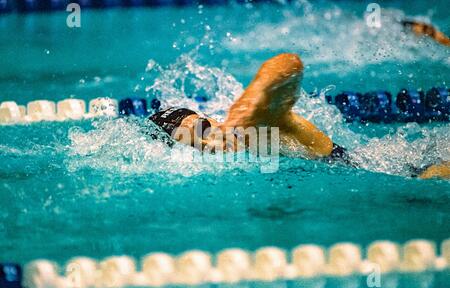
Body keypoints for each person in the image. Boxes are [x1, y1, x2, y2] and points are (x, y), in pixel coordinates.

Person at [148, 53, 450, 179]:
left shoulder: (259, 127)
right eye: (194, 143)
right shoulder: (248, 156)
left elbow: (289, 64)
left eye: (203, 127)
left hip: (417, 174)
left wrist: (253, 94)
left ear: (210, 117)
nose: (211, 141)